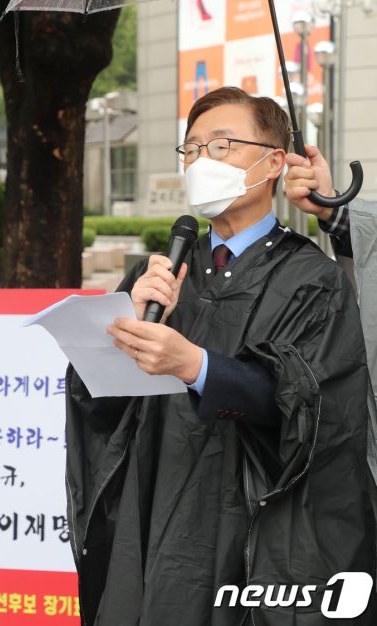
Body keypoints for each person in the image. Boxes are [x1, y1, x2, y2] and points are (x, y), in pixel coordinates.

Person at [65, 86, 376, 626]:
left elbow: (315, 409)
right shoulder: (158, 275)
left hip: (254, 520)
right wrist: (118, 332)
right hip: (153, 503)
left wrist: (196, 367)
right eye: (191, 148)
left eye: (221, 145)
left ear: (274, 162)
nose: (201, 161)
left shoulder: (312, 279)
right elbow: (102, 405)